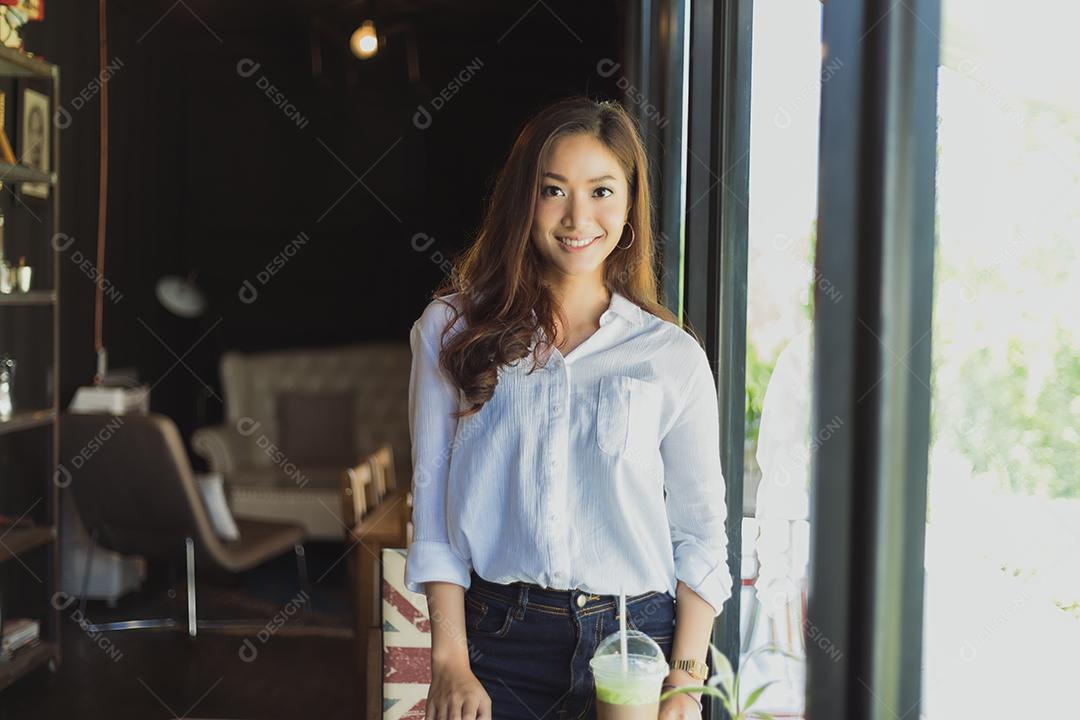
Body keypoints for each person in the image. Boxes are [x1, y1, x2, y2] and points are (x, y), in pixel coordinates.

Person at [406, 96, 732, 720]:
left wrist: (686, 682)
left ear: (630, 204)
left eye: (602, 191)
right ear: (522, 202)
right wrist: (450, 662)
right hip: (497, 642)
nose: (578, 217)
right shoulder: (450, 331)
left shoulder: (671, 355)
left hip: (637, 644)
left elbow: (700, 533)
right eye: (553, 190)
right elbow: (434, 516)